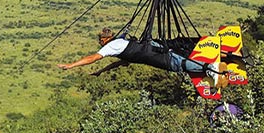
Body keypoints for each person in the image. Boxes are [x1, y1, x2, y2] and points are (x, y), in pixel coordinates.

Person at [57, 28, 228, 87]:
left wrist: (71, 65)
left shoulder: (110, 46)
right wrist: (101, 71)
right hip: (153, 47)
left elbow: (92, 58)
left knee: (175, 63)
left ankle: (210, 68)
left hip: (153, 54)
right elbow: (121, 63)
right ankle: (224, 53)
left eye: (100, 40)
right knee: (177, 49)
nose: (100, 43)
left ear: (104, 39)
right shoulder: (120, 43)